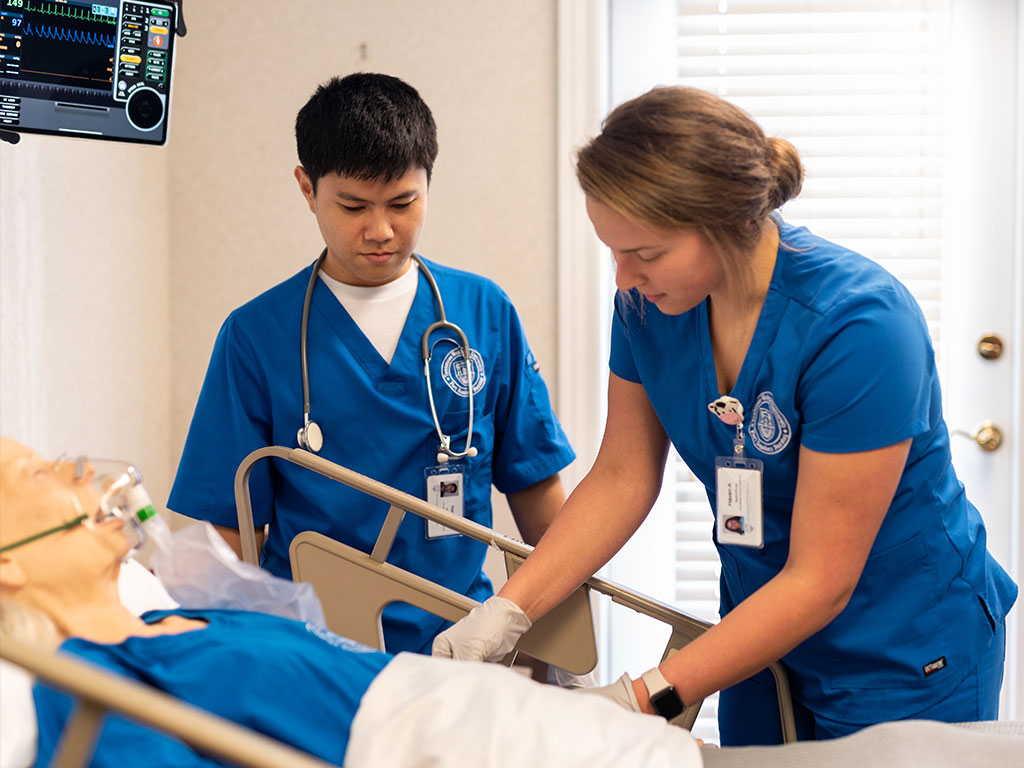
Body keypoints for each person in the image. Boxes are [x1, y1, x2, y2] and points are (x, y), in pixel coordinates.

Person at [432, 86, 1018, 745]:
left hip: (903, 640)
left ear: (725, 224)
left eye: (645, 253)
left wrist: (640, 697)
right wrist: (506, 612)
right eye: (613, 251)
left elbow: (821, 579)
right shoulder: (649, 308)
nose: (624, 278)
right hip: (759, 630)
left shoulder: (860, 327)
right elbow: (623, 477)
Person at [168, 73, 575, 654]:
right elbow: (233, 532)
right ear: (307, 188)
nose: (381, 230)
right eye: (353, 205)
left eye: (403, 203)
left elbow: (537, 490)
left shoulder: (483, 311)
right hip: (313, 649)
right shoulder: (256, 335)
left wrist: (565, 641)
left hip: (463, 642)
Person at [0, 439, 700, 768]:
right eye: (37, 469)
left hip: (589, 742)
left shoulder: (176, 619)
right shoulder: (89, 693)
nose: (78, 467)